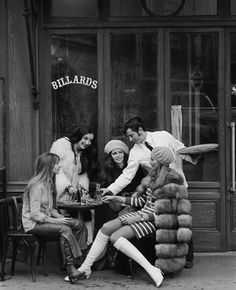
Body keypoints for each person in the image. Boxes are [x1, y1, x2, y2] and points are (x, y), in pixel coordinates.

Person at [68, 146, 178, 288]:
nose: (150, 162)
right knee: (106, 227)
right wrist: (117, 198)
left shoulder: (170, 182)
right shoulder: (153, 177)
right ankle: (85, 268)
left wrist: (138, 218)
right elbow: (141, 202)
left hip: (155, 220)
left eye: (153, 160)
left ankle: (152, 270)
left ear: (162, 162)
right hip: (142, 214)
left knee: (115, 237)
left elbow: (163, 213)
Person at [101, 117, 197, 268]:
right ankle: (165, 258)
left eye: (131, 135)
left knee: (182, 220)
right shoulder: (135, 152)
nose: (130, 139)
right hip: (158, 190)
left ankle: (188, 257)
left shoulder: (163, 136)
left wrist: (196, 155)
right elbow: (127, 175)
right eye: (128, 137)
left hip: (177, 185)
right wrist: (111, 189)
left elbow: (181, 149)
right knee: (165, 221)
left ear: (140, 130)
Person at [22, 152, 86, 284]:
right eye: (56, 163)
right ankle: (71, 270)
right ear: (48, 166)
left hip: (45, 220)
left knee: (78, 223)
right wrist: (58, 221)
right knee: (64, 229)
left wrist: (61, 217)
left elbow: (49, 210)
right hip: (33, 224)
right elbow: (35, 214)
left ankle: (75, 261)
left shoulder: (49, 183)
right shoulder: (37, 185)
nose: (60, 165)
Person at [50, 124, 97, 246]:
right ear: (78, 136)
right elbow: (55, 170)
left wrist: (81, 192)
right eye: (85, 138)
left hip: (74, 195)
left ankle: (86, 245)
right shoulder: (62, 145)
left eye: (90, 140)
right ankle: (70, 253)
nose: (87, 143)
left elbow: (82, 175)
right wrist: (67, 186)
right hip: (59, 194)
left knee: (86, 213)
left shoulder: (83, 154)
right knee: (69, 220)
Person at [98, 139, 145, 221]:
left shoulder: (133, 167)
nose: (118, 155)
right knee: (102, 210)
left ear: (124, 154)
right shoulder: (109, 169)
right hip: (116, 202)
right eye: (114, 153)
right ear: (111, 156)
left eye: (120, 152)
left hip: (132, 201)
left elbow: (140, 187)